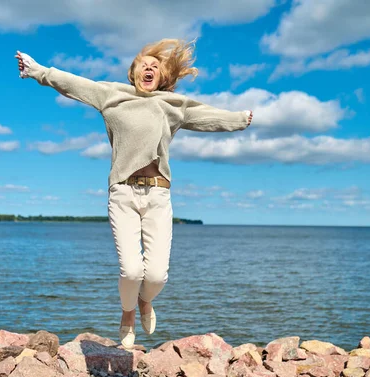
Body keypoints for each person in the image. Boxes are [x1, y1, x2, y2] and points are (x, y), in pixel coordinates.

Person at [15, 39, 253, 349]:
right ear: (133, 71)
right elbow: (73, 83)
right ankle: (128, 312)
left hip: (158, 196)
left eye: (157, 65)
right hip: (123, 193)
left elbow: (205, 116)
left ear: (163, 76)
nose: (150, 67)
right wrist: (38, 71)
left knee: (155, 275)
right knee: (130, 269)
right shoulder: (112, 94)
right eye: (145, 63)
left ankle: (144, 301)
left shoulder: (171, 104)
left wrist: (237, 120)